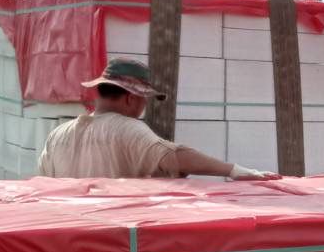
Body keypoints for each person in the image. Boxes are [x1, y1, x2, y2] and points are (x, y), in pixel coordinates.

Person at [37, 58, 274, 180]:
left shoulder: (58, 135)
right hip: (113, 240)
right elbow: (173, 156)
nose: (144, 107)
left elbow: (44, 185)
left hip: (69, 241)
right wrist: (234, 170)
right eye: (145, 100)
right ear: (131, 98)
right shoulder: (127, 129)